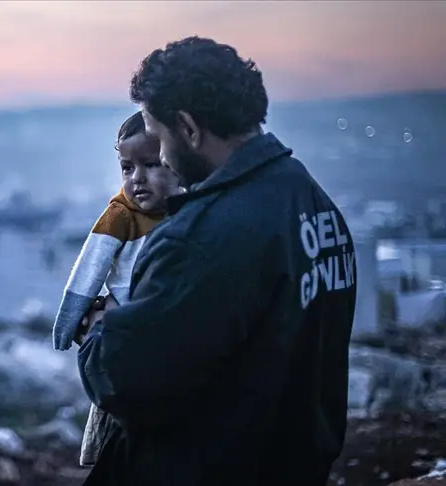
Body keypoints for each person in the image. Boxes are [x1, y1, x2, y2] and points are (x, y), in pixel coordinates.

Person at [76, 36, 357, 486]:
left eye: (160, 137)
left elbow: (126, 383)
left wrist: (100, 331)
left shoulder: (200, 238)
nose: (162, 156)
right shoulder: (312, 203)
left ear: (187, 128)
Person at [50, 112, 181, 467]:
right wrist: (68, 324)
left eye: (151, 165)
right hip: (121, 331)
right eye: (127, 168)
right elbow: (89, 269)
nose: (137, 179)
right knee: (115, 422)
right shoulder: (121, 214)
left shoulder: (188, 212)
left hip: (163, 336)